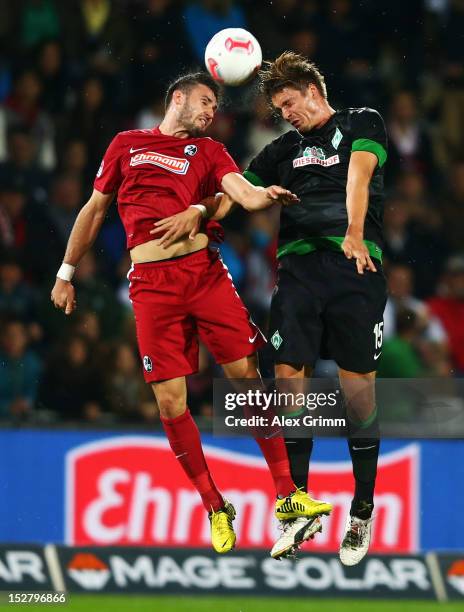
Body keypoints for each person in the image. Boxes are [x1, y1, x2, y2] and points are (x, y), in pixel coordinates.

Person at [50, 72, 332, 556]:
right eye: (204, 102)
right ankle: (215, 505)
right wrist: (65, 270)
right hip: (152, 289)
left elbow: (238, 191)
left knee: (246, 379)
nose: (209, 112)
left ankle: (288, 496)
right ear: (176, 97)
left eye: (214, 106)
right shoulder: (127, 144)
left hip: (203, 273)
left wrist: (263, 197)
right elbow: (95, 210)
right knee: (170, 404)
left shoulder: (209, 151)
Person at [157, 55, 388, 564]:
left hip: (356, 265)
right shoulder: (282, 149)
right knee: (287, 383)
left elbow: (360, 175)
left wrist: (352, 231)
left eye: (289, 105)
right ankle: (297, 506)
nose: (288, 116)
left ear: (310, 89)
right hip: (300, 272)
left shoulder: (361, 122)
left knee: (358, 392)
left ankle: (363, 510)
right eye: (280, 109)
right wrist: (200, 210)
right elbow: (233, 191)